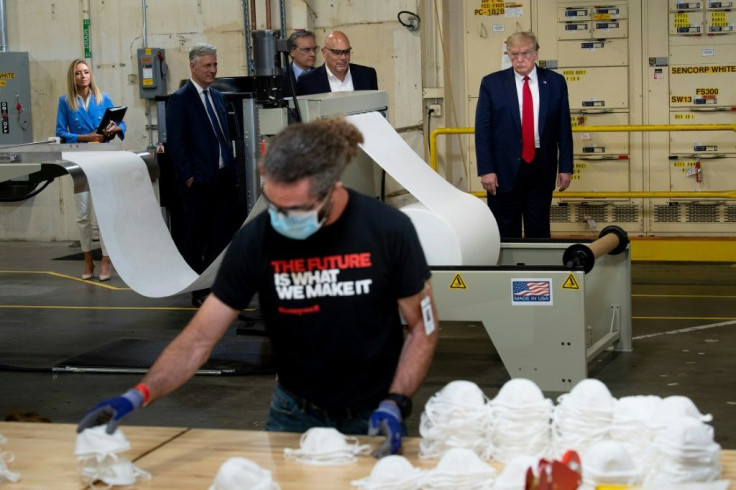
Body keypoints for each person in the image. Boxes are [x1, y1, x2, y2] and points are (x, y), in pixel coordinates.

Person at [77, 117, 439, 458]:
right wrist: (138, 395)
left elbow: (423, 326)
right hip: (293, 413)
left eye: (294, 210)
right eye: (274, 206)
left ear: (331, 187)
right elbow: (200, 339)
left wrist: (397, 401)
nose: (282, 221)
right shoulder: (257, 240)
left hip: (375, 411)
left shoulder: (388, 232)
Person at [475, 31, 573, 239]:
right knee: (504, 228)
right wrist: (486, 170)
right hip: (502, 170)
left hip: (541, 166)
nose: (520, 60)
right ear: (508, 55)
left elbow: (564, 129)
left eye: (525, 53)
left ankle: (536, 271)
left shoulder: (555, 83)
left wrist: (566, 167)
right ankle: (505, 271)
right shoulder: (491, 84)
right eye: (514, 54)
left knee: (538, 226)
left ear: (536, 53)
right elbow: (482, 131)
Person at [165, 43, 240, 307]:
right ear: (193, 66)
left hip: (221, 178)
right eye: (207, 65)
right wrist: (188, 177)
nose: (212, 70)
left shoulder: (218, 97)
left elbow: (224, 136)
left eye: (215, 65)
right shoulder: (181, 99)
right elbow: (176, 143)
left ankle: (214, 285)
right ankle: (198, 289)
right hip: (198, 182)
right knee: (197, 237)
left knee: (220, 236)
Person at [56, 59, 126, 281]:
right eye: (78, 73)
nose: (83, 76)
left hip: (102, 158)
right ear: (72, 77)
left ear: (91, 75)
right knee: (82, 214)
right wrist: (86, 137)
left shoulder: (102, 98)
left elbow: (120, 123)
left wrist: (116, 127)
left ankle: (106, 259)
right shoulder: (65, 102)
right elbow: (60, 132)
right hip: (78, 160)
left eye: (86, 72)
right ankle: (88, 258)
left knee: (103, 211)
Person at [296, 30, 378, 95]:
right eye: (337, 52)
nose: (343, 57)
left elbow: (377, 109)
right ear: (324, 52)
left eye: (346, 51)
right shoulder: (307, 81)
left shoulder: (367, 75)